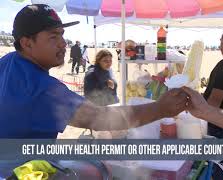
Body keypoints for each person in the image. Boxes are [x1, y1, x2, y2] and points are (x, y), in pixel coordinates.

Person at [0, 4, 187, 139]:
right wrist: (160, 108)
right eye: (53, 36)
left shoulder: (7, 62)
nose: (63, 43)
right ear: (27, 43)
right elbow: (100, 119)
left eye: (62, 35)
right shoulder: (43, 89)